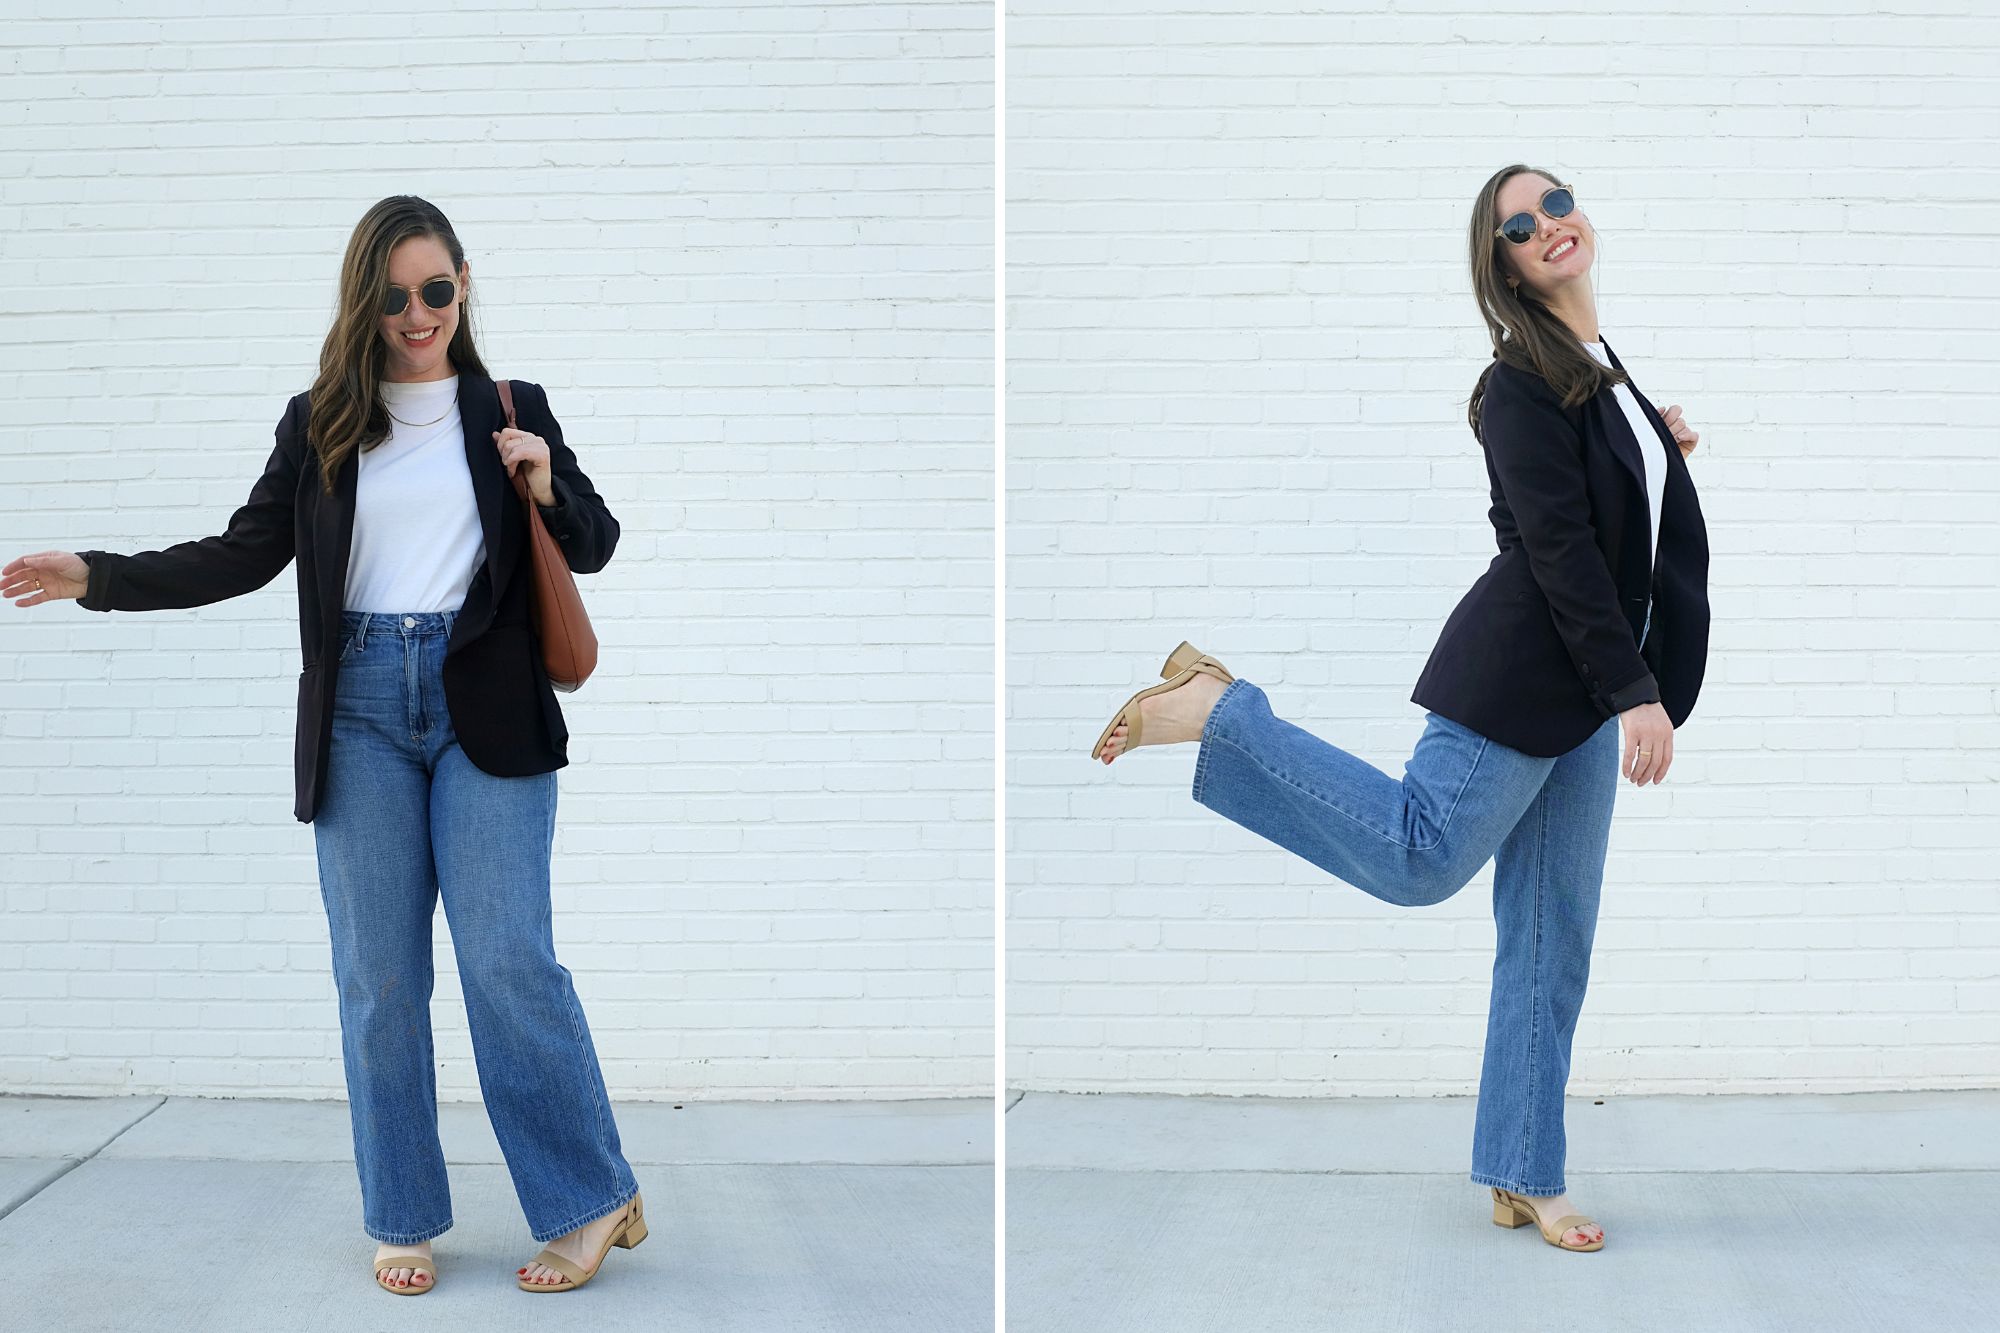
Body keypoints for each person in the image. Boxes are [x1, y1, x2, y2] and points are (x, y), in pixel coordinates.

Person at [2, 195, 645, 1294]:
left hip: (483, 701)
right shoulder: (320, 423)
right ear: (365, 300)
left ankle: (592, 1196)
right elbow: (240, 553)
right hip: (356, 708)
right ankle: (402, 1210)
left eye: (435, 290)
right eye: (394, 295)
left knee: (505, 961)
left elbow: (594, 544)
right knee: (379, 978)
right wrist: (96, 577)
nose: (416, 314)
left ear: (462, 284)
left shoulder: (510, 405)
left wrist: (541, 474)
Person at [1088, 165, 1711, 1253]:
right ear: (1504, 264)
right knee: (1420, 857)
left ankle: (1524, 1173)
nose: (1546, 226)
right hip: (1523, 679)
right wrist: (1636, 695)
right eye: (1518, 226)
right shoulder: (1517, 380)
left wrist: (1648, 441)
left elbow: (1591, 510)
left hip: (1568, 693)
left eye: (1553, 204)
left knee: (1547, 940)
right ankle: (1218, 710)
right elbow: (1558, 555)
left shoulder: (1592, 371)